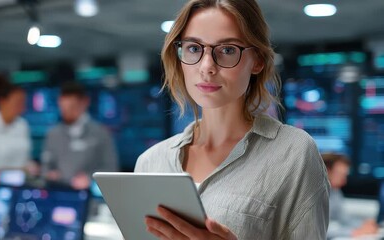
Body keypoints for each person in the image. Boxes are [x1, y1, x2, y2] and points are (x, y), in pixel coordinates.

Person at [134, 0, 330, 239]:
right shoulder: (151, 163)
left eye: (227, 50)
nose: (207, 67)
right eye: (194, 49)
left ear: (257, 60)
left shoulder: (293, 153)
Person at [41, 81, 119, 190]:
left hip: (89, 196)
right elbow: (46, 167)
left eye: (72, 107)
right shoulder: (53, 134)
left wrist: (89, 179)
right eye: (63, 108)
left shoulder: (101, 133)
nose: (67, 112)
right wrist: (50, 175)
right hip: (59, 193)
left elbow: (111, 169)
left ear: (84, 102)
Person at [323, 153, 379, 239]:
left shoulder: (335, 191)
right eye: (341, 175)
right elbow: (321, 228)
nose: (344, 181)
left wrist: (363, 224)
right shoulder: (314, 195)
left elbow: (343, 218)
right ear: (327, 171)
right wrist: (354, 232)